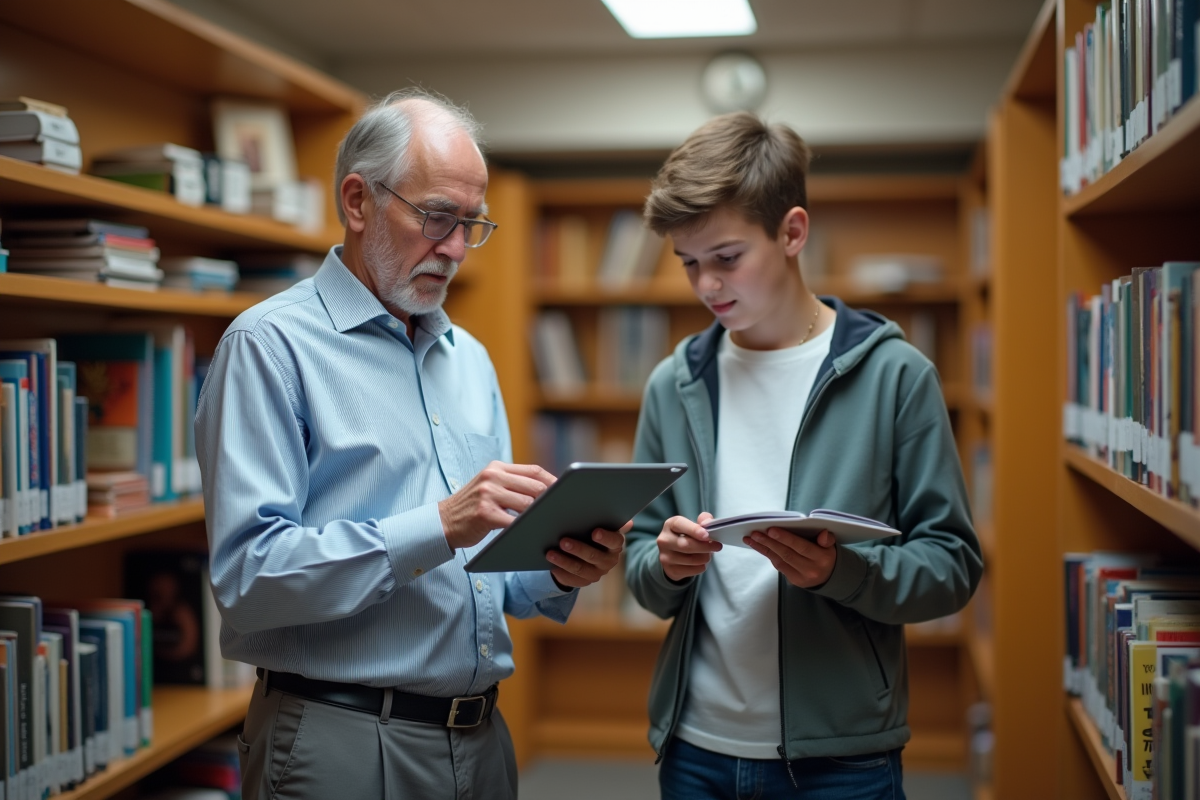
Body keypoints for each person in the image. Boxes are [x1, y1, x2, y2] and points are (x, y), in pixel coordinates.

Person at [195, 89, 626, 800]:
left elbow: (496, 582)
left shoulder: (471, 359)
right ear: (358, 202)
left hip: (482, 740)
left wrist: (563, 565)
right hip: (341, 741)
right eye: (436, 218)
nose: (455, 248)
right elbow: (249, 579)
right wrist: (441, 525)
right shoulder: (268, 347)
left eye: (471, 224)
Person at [623, 112, 984, 800]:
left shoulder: (895, 376)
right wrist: (664, 564)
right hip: (694, 748)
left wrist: (838, 571)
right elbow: (640, 566)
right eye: (689, 263)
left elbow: (952, 566)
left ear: (792, 231)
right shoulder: (674, 384)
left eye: (727, 258)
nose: (706, 286)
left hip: (842, 761)